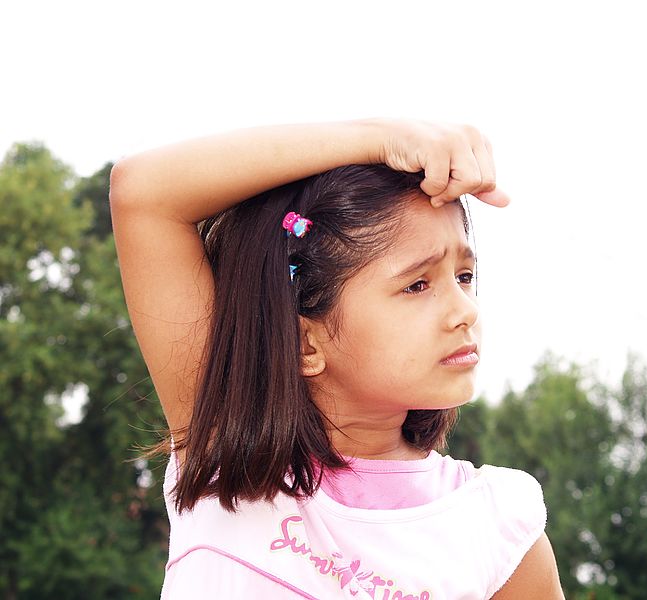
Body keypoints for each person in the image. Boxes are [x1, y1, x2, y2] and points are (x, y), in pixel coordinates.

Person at [109, 119, 564, 599]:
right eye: (418, 284)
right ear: (305, 344)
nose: (465, 311)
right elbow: (143, 194)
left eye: (465, 276)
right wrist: (380, 138)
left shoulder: (500, 529)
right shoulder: (227, 462)